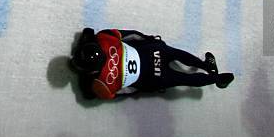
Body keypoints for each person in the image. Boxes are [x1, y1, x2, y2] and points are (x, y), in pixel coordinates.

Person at [69, 28, 234, 99]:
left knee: (182, 79)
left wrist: (146, 88)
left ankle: (217, 79)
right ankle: (207, 66)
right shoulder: (104, 38)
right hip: (151, 52)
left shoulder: (102, 84)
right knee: (176, 54)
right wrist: (150, 40)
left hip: (151, 77)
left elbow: (127, 91)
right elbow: (132, 35)